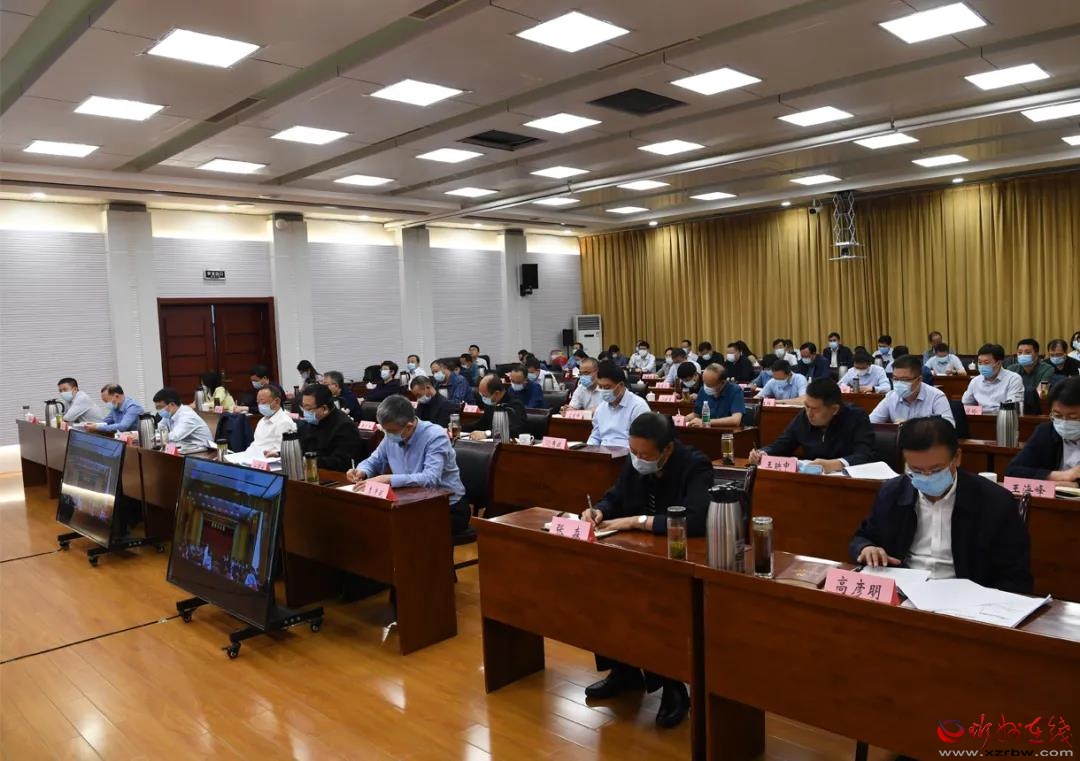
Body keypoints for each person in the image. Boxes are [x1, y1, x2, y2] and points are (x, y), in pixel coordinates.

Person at [578, 413, 711, 728]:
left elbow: (695, 520)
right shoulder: (637, 459)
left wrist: (635, 521)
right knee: (601, 582)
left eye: (645, 455)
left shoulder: (696, 466)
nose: (637, 459)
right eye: (633, 452)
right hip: (637, 551)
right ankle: (624, 671)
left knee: (654, 600)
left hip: (679, 556)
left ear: (667, 449)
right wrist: (599, 511)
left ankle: (674, 686)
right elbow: (616, 495)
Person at [850, 416, 1032, 593]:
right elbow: (863, 537)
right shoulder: (892, 492)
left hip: (966, 598)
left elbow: (1017, 577)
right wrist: (866, 548)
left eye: (936, 470)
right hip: (904, 592)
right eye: (916, 470)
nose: (926, 477)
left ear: (957, 457)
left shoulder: (995, 501)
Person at [347, 396, 470, 534]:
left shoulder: (435, 437)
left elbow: (430, 479)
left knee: (399, 532)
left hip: (445, 507)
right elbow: (374, 460)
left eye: (391, 432)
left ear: (409, 426)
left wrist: (389, 479)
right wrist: (362, 471)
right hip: (408, 503)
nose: (388, 435)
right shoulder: (391, 433)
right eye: (385, 431)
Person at [748, 378, 878, 473]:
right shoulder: (804, 416)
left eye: (815, 409)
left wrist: (834, 464)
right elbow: (784, 443)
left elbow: (865, 455)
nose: (809, 414)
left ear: (834, 409)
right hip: (812, 478)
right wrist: (763, 453)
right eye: (806, 406)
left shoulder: (856, 417)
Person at [1005, 377, 1080, 484]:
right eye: (1057, 415)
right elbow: (1012, 471)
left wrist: (1076, 485)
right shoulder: (1046, 432)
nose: (1064, 422)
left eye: (1073, 417)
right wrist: (1061, 476)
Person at [869, 355, 954, 426]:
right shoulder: (891, 397)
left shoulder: (936, 396)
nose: (899, 383)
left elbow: (949, 427)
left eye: (904, 380)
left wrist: (912, 426)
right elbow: (870, 424)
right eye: (895, 379)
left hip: (927, 441)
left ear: (919, 379)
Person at [298, 383, 365, 471]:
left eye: (308, 409)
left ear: (324, 409)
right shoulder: (311, 423)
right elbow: (301, 449)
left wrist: (310, 461)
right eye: (303, 407)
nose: (305, 412)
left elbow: (342, 462)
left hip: (333, 474)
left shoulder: (345, 427)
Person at [588, 363, 650, 448]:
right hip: (603, 452)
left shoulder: (638, 407)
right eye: (600, 387)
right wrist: (589, 450)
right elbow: (595, 437)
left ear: (621, 385)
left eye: (607, 387)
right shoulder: (601, 408)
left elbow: (642, 443)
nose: (603, 391)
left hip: (627, 453)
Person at [962, 343, 1024, 413]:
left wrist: (982, 411)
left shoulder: (1013, 379)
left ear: (999, 363)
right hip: (980, 418)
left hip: (1004, 418)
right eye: (980, 363)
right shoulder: (975, 381)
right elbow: (965, 405)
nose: (982, 366)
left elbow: (1011, 408)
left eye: (986, 363)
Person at [464, 374, 526, 440]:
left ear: (496, 393)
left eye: (485, 396)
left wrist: (487, 434)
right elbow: (482, 423)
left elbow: (513, 431)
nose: (483, 399)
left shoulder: (515, 405)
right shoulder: (490, 404)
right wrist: (461, 428)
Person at [243, 385, 297, 456]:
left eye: (263, 403)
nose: (260, 406)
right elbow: (256, 444)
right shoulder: (262, 421)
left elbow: (282, 452)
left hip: (266, 459)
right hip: (251, 455)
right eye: (258, 403)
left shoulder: (284, 422)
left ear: (277, 401)